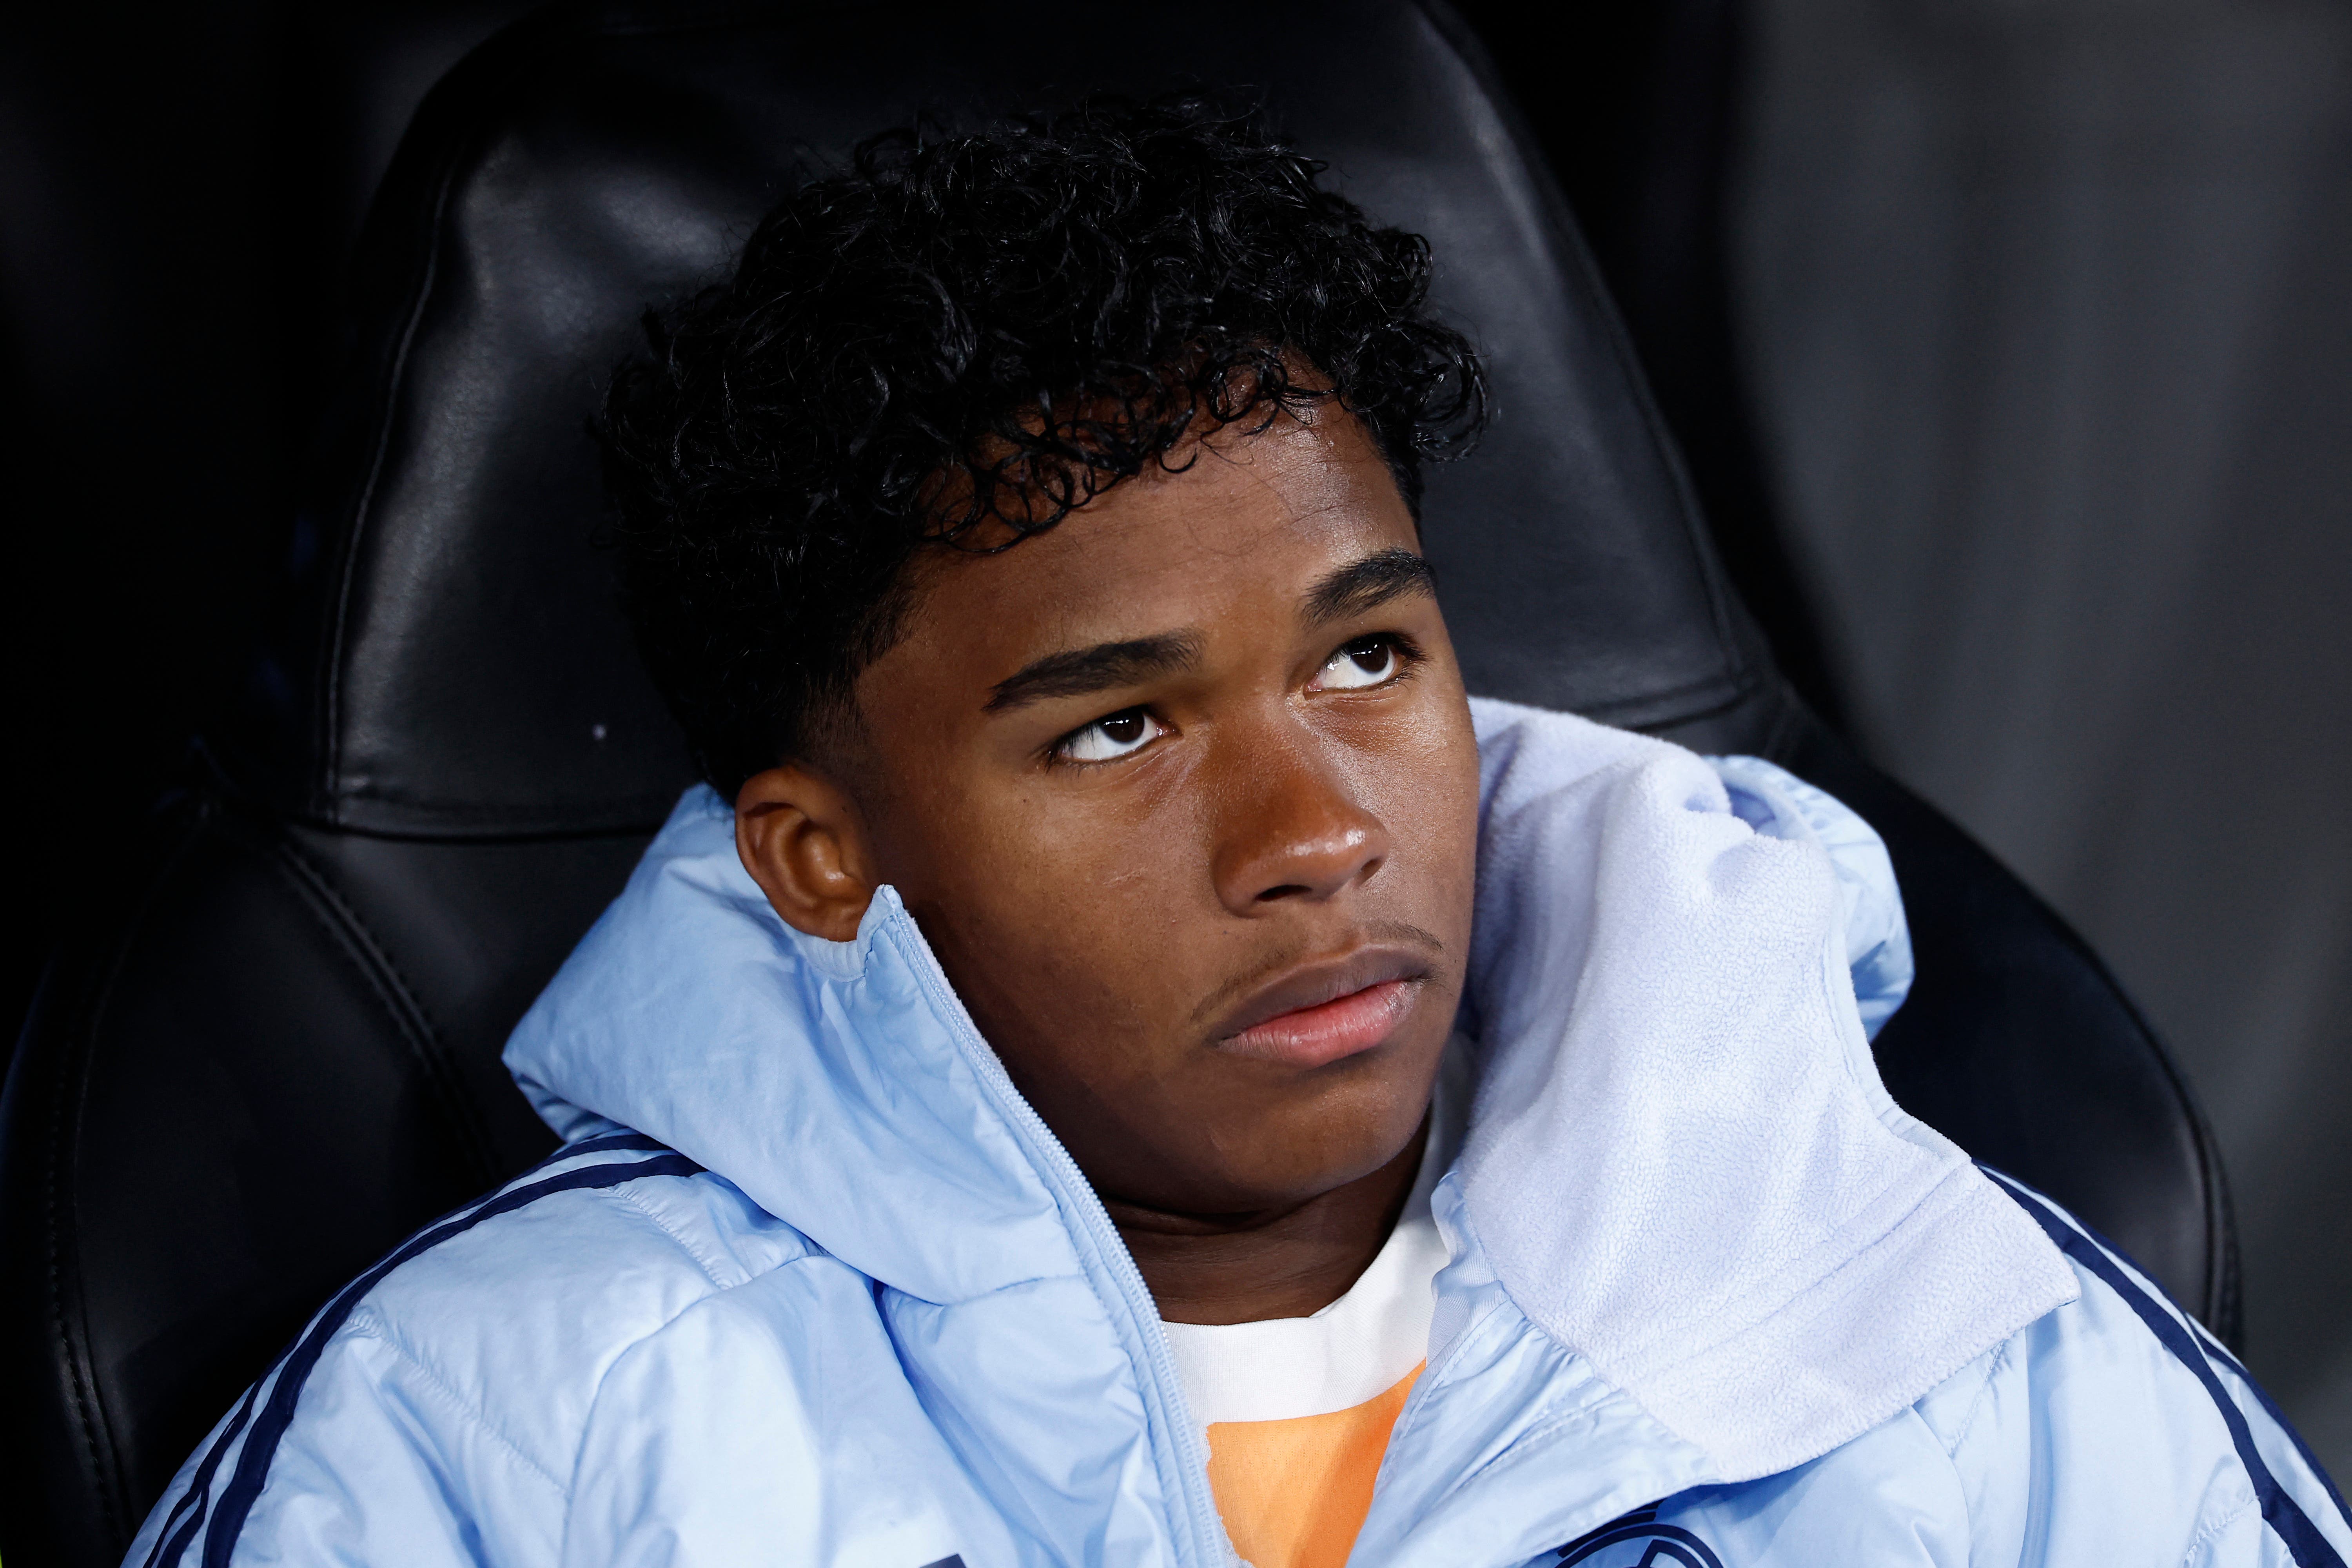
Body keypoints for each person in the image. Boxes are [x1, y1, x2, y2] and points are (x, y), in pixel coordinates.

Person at [127, 98, 2346, 1568]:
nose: (1316, 835)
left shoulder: (1953, 1342)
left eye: (1368, 661)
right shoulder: (500, 1430)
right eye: (1117, 730)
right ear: (823, 863)